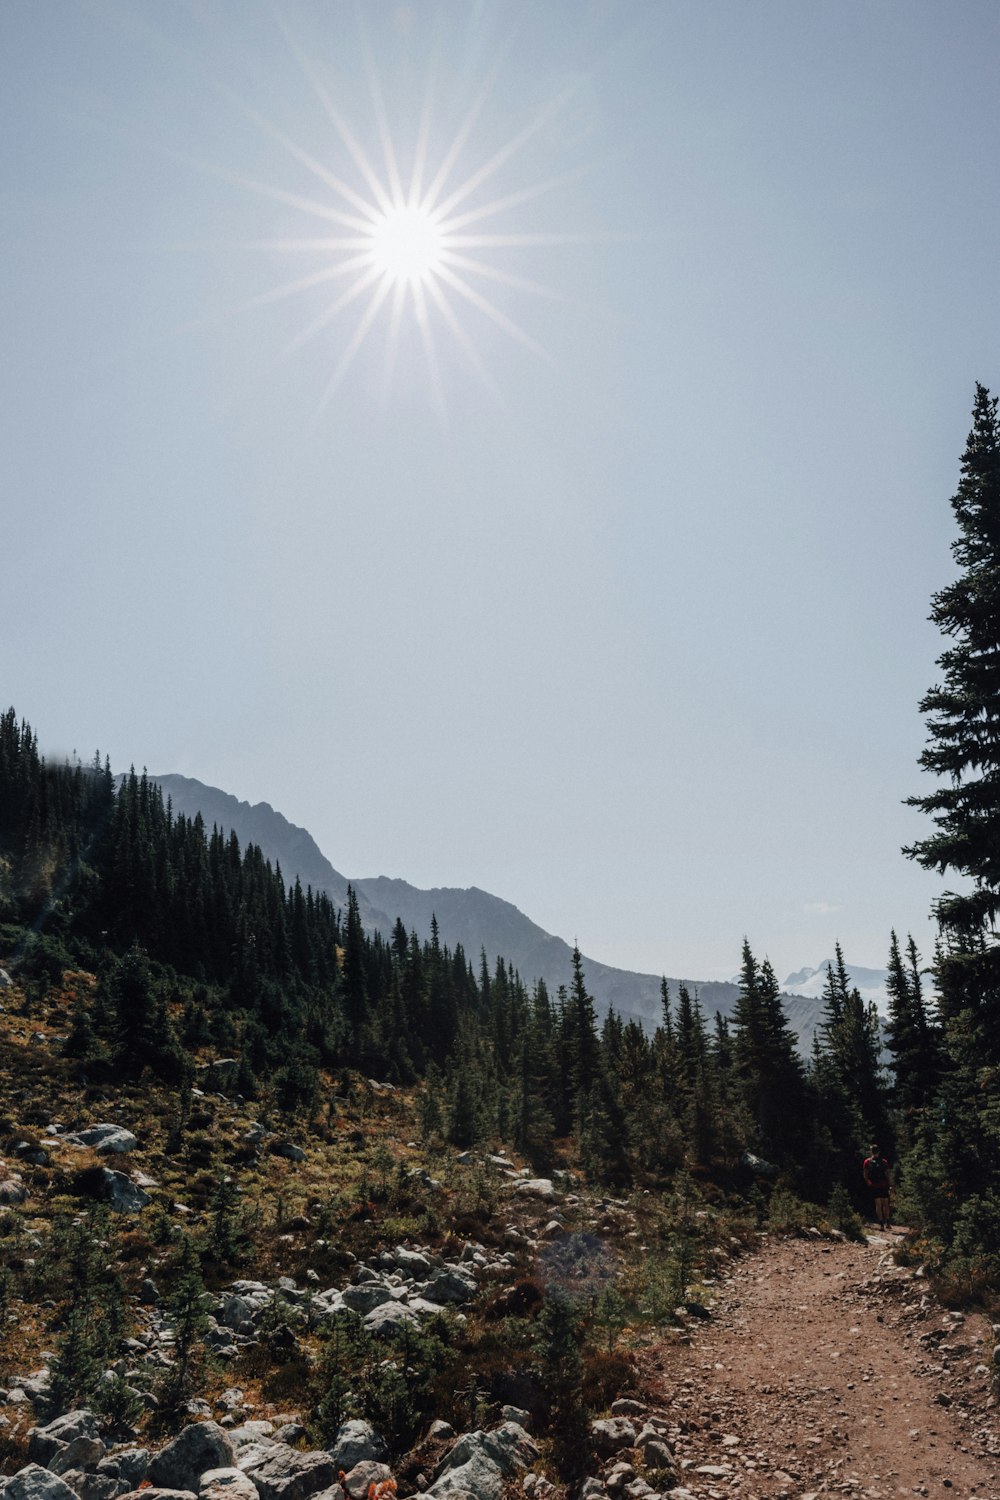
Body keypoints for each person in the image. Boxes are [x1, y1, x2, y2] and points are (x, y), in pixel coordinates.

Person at [863, 1144, 892, 1228]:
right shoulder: (884, 1161)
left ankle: (881, 1224)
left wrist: (868, 1181)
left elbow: (865, 1174)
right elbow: (888, 1174)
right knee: (885, 1204)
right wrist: (890, 1185)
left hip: (874, 1185)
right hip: (883, 1185)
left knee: (878, 1204)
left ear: (871, 1152)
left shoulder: (867, 1161)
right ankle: (888, 1222)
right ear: (878, 1152)